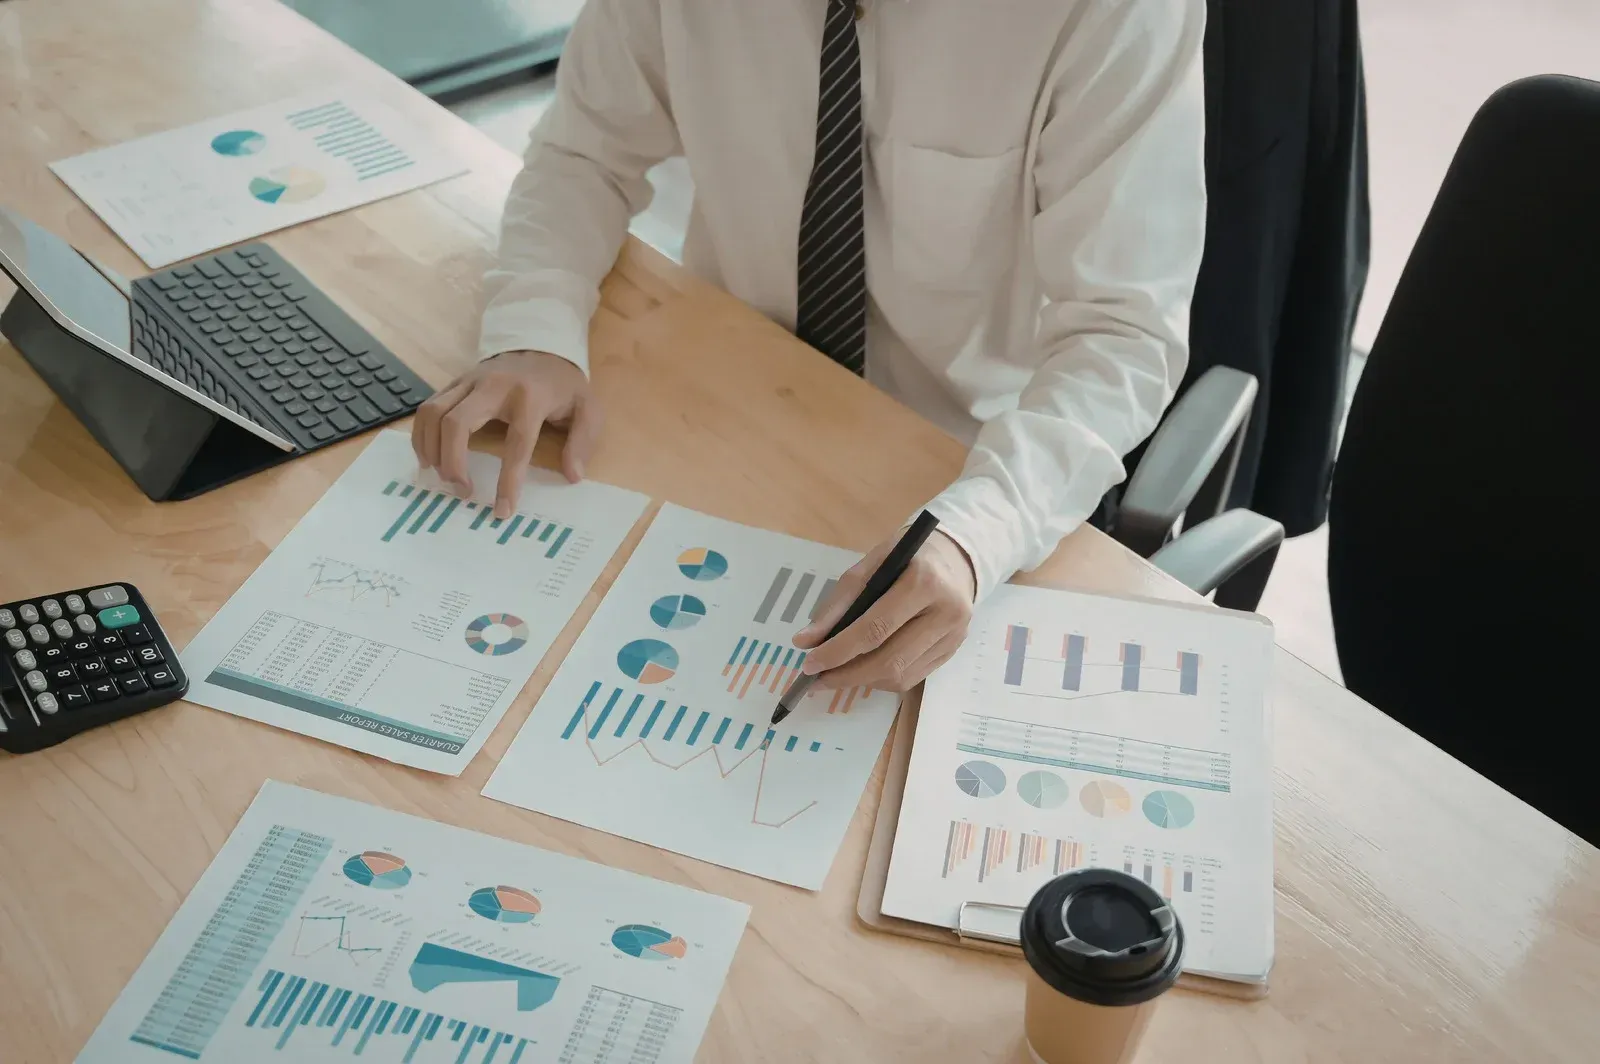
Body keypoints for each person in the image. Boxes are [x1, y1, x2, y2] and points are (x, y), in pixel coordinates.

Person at [412, 0, 1207, 693]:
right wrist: (534, 330)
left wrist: (981, 529)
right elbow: (585, 152)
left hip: (962, 467)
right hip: (725, 399)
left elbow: (1121, 331)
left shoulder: (1108, 10)